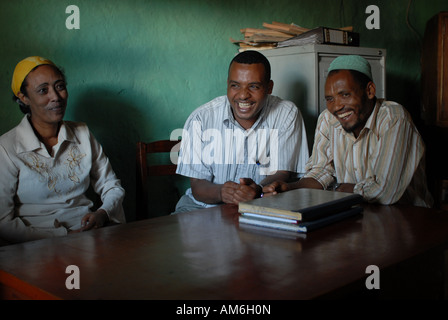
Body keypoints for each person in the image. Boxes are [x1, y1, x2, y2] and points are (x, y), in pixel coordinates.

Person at [264, 55, 433, 207]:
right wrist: (290, 187)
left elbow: (385, 192)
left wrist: (339, 188)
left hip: (409, 219)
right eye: (330, 99)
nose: (336, 107)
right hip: (359, 215)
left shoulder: (393, 118)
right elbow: (320, 171)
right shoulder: (327, 119)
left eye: (345, 95)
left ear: (370, 91)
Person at [0, 56, 126, 245]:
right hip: (35, 245)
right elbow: (3, 222)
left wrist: (102, 213)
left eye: (59, 86)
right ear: (23, 97)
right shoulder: (7, 147)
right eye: (43, 90)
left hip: (88, 236)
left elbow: (111, 186)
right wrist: (61, 237)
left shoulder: (82, 134)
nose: (56, 97)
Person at [174, 50, 309, 213]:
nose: (243, 95)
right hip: (202, 208)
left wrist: (257, 190)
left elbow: (282, 172)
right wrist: (223, 192)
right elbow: (197, 186)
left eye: (253, 86)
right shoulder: (201, 119)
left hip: (260, 209)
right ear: (227, 85)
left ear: (269, 87)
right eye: (235, 85)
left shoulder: (286, 114)